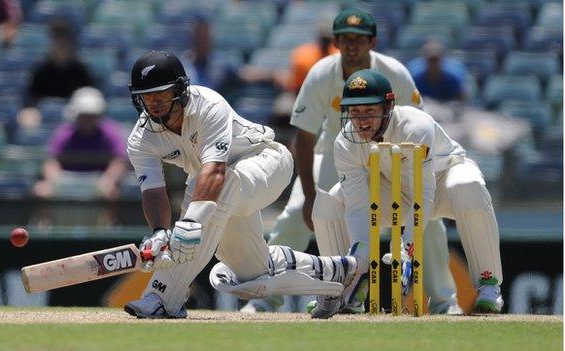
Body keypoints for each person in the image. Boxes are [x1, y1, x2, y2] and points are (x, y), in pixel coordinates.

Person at [242, 8, 461, 315]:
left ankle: (444, 302)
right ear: (337, 41)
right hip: (337, 149)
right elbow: (303, 138)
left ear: (372, 41)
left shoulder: (394, 72)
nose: (352, 46)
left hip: (392, 153)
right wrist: (307, 195)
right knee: (295, 214)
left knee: (427, 217)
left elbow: (416, 125)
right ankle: (266, 297)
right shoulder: (321, 73)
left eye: (358, 39)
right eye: (345, 39)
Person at [122, 51, 361, 319]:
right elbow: (153, 192)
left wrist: (189, 226)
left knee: (209, 188)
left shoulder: (208, 105)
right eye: (147, 95)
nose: (153, 102)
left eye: (161, 93)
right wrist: (159, 233)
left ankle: (161, 297)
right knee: (251, 271)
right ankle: (334, 270)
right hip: (218, 190)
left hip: (266, 162)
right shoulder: (140, 139)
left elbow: (215, 171)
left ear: (179, 89)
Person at [310, 69, 503, 318]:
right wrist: (358, 261)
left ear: (388, 105)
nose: (361, 119)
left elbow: (423, 193)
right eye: (355, 111)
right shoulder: (345, 143)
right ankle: (340, 289)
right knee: (330, 203)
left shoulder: (415, 126)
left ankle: (489, 286)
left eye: (370, 110)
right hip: (395, 192)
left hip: (443, 184)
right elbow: (358, 207)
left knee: (468, 186)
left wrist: (407, 248)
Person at [32, 87, 128, 200]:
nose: (87, 120)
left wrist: (108, 181)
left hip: (98, 181)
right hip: (67, 181)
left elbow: (119, 161)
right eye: (84, 115)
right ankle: (44, 219)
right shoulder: (64, 132)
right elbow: (51, 161)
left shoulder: (111, 132)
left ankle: (109, 219)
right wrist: (54, 182)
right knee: (41, 190)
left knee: (112, 193)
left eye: (91, 115)